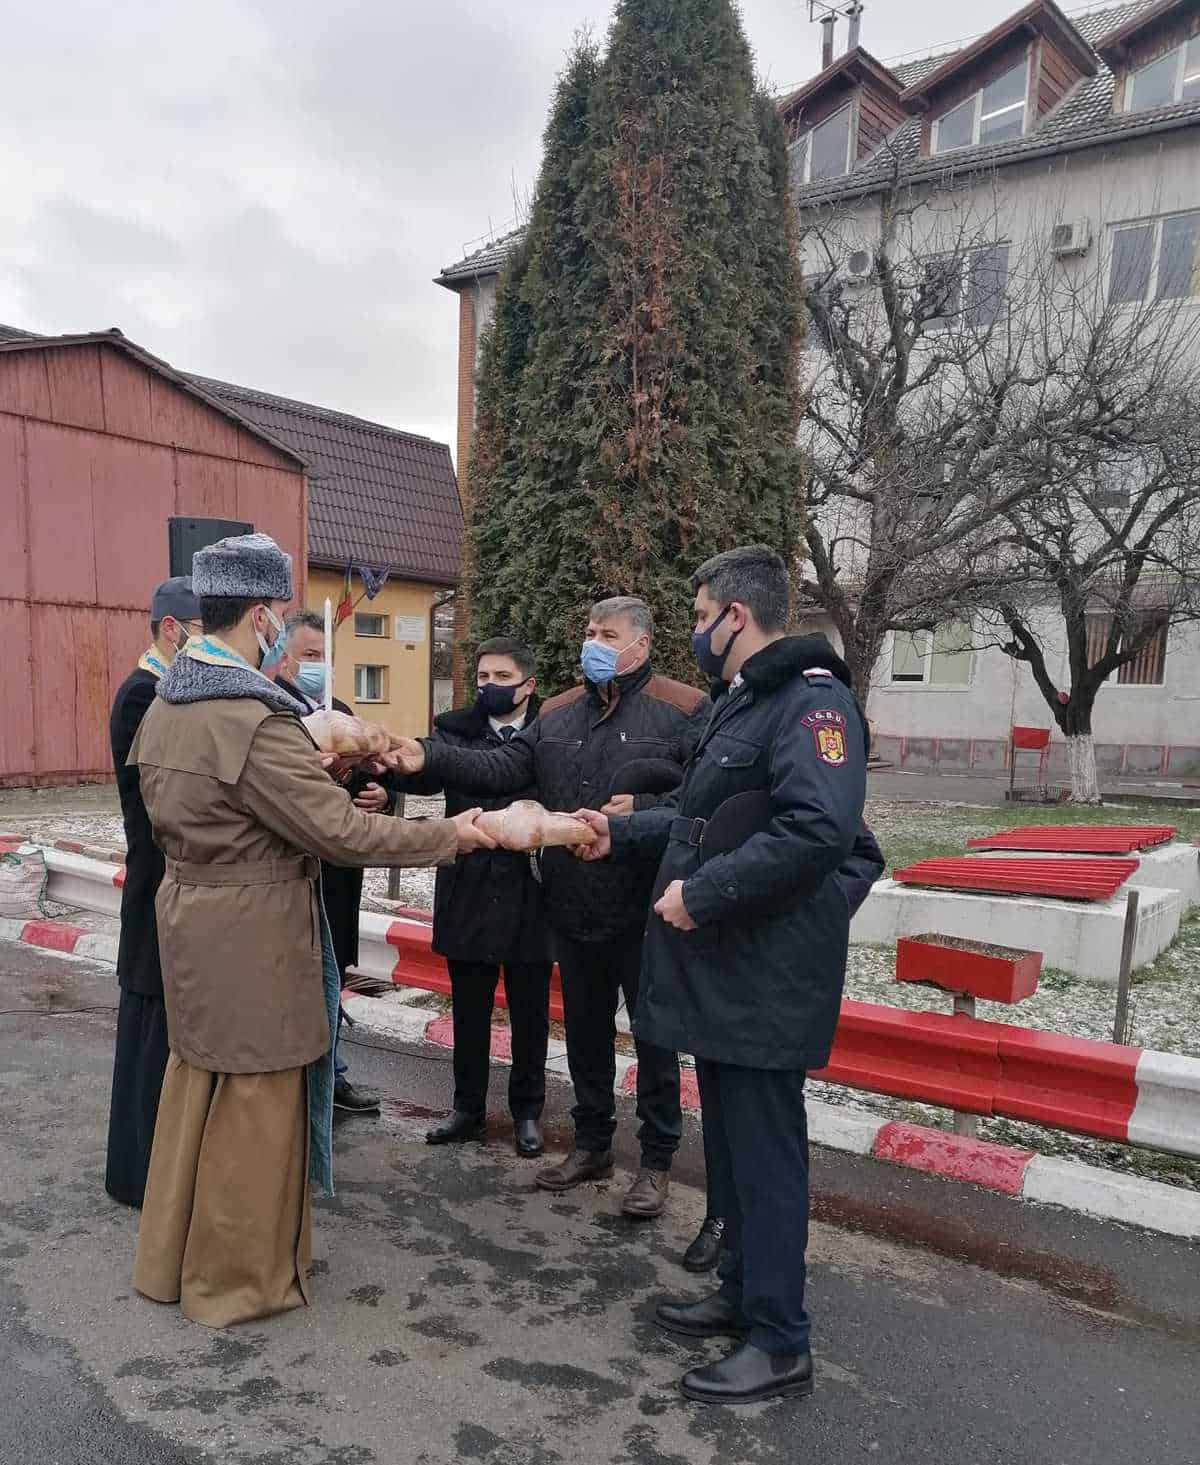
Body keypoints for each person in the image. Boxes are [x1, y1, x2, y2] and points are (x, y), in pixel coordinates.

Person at [128, 532, 495, 1328]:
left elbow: (225, 809)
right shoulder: (251, 719)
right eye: (281, 615)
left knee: (200, 1089)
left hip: (194, 918)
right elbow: (345, 836)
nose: (282, 628)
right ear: (261, 615)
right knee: (255, 1108)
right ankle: (239, 1279)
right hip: (255, 934)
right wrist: (452, 834)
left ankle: (173, 1259)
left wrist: (314, 779)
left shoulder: (170, 701)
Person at [573, 545, 882, 1406]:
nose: (698, 631)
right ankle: (744, 1295)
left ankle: (782, 1340)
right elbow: (700, 815)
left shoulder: (812, 707)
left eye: (702, 614)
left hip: (765, 969)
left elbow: (821, 830)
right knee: (736, 1150)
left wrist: (704, 896)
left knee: (767, 1153)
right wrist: (619, 830)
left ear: (735, 616)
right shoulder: (744, 706)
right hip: (730, 967)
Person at [392, 598, 712, 1231]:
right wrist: (427, 756)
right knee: (588, 1036)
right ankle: (592, 1144)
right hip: (571, 905)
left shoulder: (684, 709)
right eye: (588, 632)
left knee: (653, 1040)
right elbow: (504, 766)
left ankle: (654, 1163)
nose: (592, 642)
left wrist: (639, 809)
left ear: (640, 647)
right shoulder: (559, 712)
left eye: (607, 634)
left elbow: (697, 799)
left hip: (645, 907)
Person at [402, 637, 552, 1158]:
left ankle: (528, 1112)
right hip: (468, 888)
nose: (490, 686)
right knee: (469, 1010)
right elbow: (422, 774)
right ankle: (467, 1109)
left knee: (530, 1012)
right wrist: (385, 780)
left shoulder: (550, 735)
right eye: (483, 677)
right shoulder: (454, 731)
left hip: (530, 894)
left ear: (529, 685)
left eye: (502, 678)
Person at [270, 608, 393, 1116]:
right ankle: (292, 1085)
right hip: (291, 874)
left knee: (332, 975)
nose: (320, 665)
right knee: (290, 980)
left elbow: (372, 781)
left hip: (339, 876)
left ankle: (333, 1075)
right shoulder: (272, 712)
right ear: (284, 659)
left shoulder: (340, 711)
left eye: (326, 656)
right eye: (309, 656)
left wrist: (381, 797)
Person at [105, 576, 202, 1209]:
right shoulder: (145, 694)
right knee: (148, 1034)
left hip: (168, 887)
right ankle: (139, 1179)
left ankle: (152, 1171)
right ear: (172, 630)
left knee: (161, 1031)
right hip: (157, 888)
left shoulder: (160, 690)